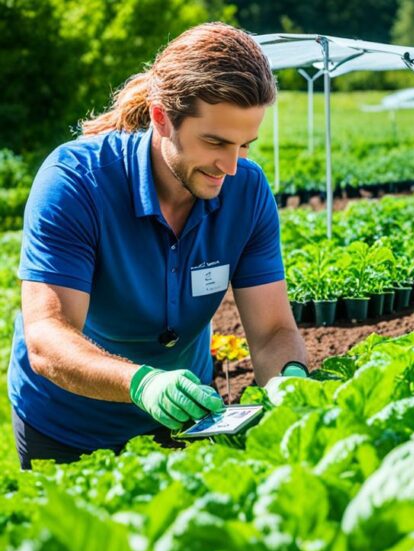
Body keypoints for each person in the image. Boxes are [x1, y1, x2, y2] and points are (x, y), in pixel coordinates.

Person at [9, 22, 308, 470]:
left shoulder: (247, 191)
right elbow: (49, 340)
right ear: (161, 118)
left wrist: (290, 379)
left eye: (245, 145)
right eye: (215, 142)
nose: (230, 167)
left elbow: (271, 333)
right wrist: (142, 384)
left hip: (186, 420)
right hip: (69, 426)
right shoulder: (76, 182)